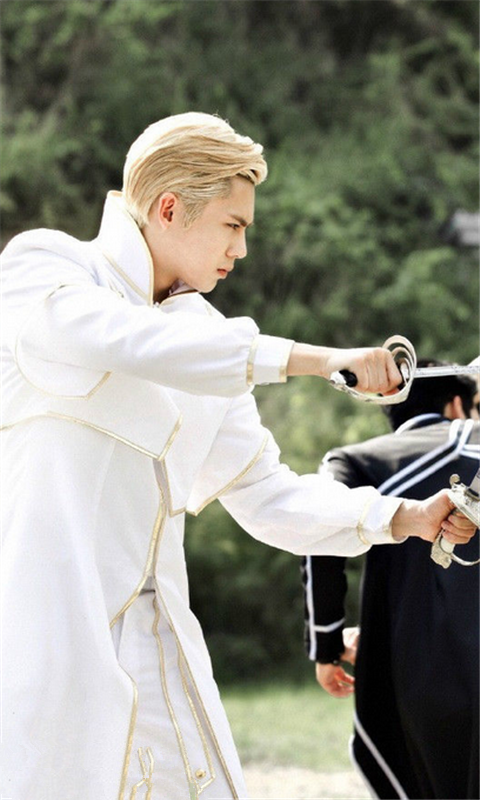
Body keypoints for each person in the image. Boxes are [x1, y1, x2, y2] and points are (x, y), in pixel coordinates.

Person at [1, 113, 475, 800]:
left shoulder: (208, 338)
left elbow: (269, 495)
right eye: (233, 225)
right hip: (43, 650)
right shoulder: (45, 269)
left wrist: (404, 517)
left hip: (161, 654)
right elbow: (125, 339)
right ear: (170, 209)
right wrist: (317, 359)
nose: (242, 249)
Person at [302, 364, 480, 799]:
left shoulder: (355, 461)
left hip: (414, 674)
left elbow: (319, 535)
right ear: (457, 404)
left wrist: (327, 643)